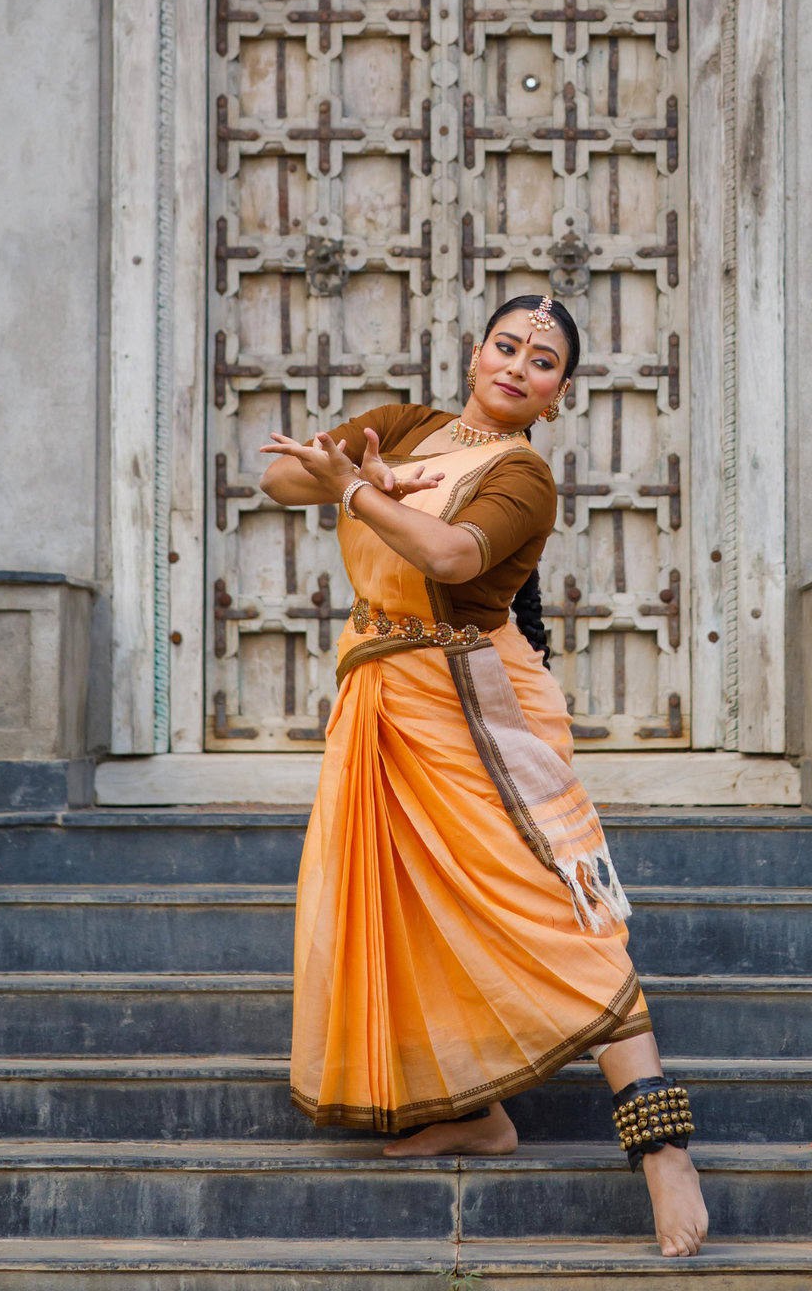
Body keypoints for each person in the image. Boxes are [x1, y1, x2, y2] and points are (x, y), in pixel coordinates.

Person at [259, 294, 709, 1258]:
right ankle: (475, 1114)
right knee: (406, 905)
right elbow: (283, 478)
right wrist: (360, 470)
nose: (517, 366)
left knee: (560, 914)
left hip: (474, 703)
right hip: (382, 700)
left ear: (558, 395)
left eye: (541, 362)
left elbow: (452, 553)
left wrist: (363, 491)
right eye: (506, 346)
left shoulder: (524, 475)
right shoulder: (404, 423)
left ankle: (663, 1150)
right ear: (475, 353)